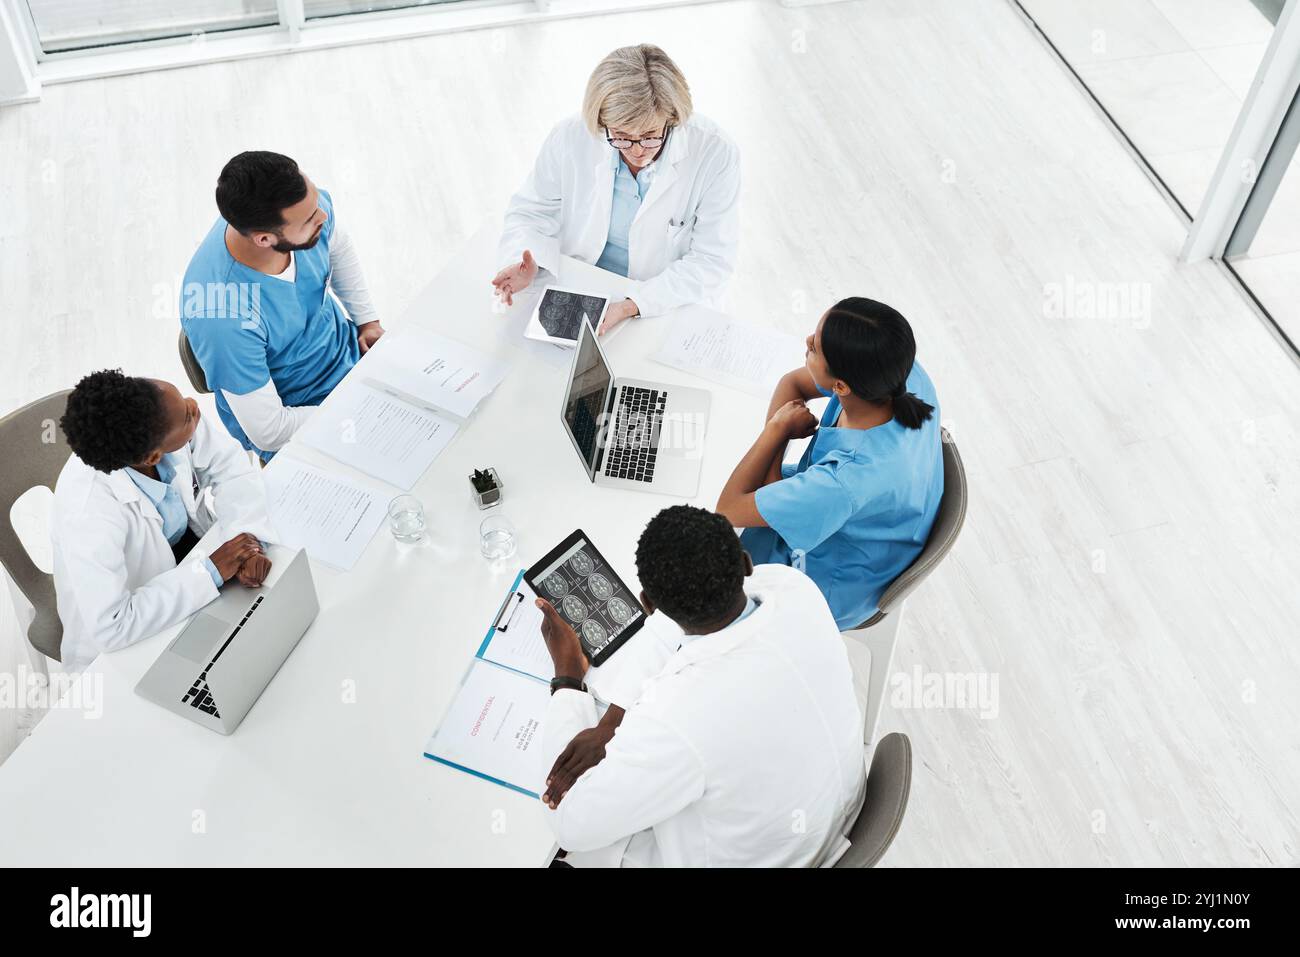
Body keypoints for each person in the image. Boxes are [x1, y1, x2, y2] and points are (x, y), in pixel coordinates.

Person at [534, 505, 865, 868]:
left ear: (648, 604)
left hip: (774, 854)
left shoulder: (679, 719)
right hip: (828, 818)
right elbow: (667, 632)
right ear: (746, 563)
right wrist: (610, 723)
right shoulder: (794, 587)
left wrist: (566, 681)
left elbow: (571, 824)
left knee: (568, 851)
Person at [716, 297, 944, 630]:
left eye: (816, 348)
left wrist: (777, 431)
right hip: (868, 523)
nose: (807, 340)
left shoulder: (845, 481)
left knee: (698, 572)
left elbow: (728, 509)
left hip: (825, 584)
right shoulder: (895, 373)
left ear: (840, 386)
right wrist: (775, 480)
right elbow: (790, 383)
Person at [492, 43, 740, 335]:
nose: (637, 151)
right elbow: (530, 212)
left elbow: (711, 261)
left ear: (672, 118)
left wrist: (631, 305)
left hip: (662, 297)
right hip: (580, 283)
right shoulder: (570, 137)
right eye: (621, 137)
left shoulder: (714, 152)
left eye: (649, 137)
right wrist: (529, 263)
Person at [52, 370, 276, 674]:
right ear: (153, 457)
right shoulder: (89, 512)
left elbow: (231, 468)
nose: (193, 405)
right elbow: (111, 626)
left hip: (188, 560)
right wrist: (210, 571)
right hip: (132, 641)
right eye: (187, 417)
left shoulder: (159, 411)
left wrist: (246, 541)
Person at [180, 151, 383, 459]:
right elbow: (269, 431)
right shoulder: (221, 316)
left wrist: (367, 321)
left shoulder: (304, 210)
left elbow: (337, 243)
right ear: (264, 239)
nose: (323, 216)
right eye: (310, 219)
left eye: (316, 202)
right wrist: (357, 407)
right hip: (299, 420)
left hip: (353, 360)